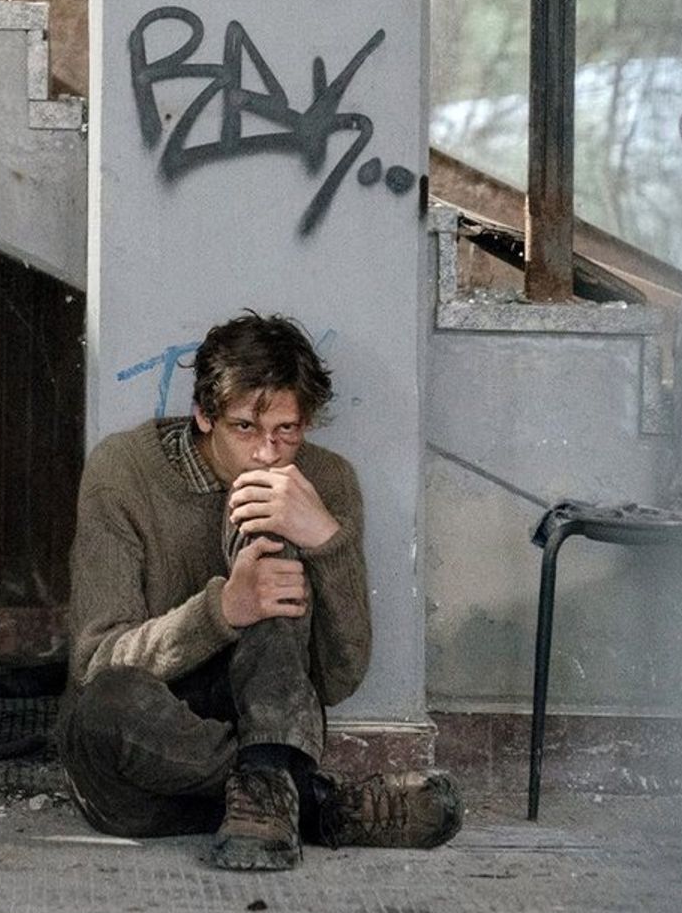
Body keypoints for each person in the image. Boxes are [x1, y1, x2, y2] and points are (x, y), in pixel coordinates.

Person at [55, 311, 461, 869]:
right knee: (107, 703)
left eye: (286, 431)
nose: (268, 453)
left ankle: (267, 794)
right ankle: (312, 801)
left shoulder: (325, 480)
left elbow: (338, 677)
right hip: (140, 768)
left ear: (306, 423)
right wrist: (223, 609)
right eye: (244, 428)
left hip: (258, 716)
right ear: (204, 414)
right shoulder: (122, 471)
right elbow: (95, 663)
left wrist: (326, 539)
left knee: (274, 545)